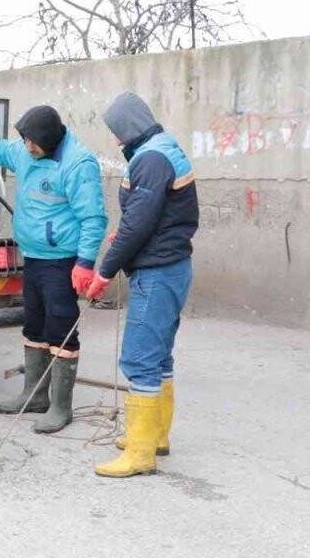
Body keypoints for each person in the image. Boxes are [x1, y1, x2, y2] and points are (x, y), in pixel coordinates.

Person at [0, 105, 107, 434]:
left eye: (33, 142)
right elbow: (1, 149)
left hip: (61, 261)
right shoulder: (25, 153)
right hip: (32, 257)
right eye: (24, 140)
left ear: (48, 139)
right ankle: (34, 395)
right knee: (33, 325)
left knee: (60, 329)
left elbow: (93, 219)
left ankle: (61, 407)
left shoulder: (78, 164)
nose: (27, 147)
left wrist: (85, 263)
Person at [84, 92, 199, 478]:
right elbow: (150, 213)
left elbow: (139, 224)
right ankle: (154, 437)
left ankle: (139, 454)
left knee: (139, 359)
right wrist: (130, 228)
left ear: (130, 127)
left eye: (117, 132)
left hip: (158, 271)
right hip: (172, 266)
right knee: (160, 356)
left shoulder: (150, 158)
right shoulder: (162, 148)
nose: (116, 140)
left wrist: (105, 270)